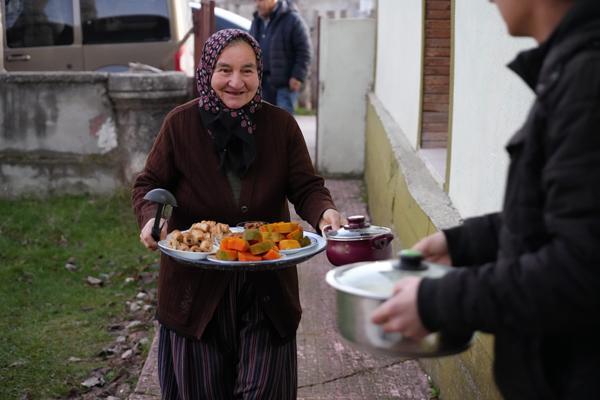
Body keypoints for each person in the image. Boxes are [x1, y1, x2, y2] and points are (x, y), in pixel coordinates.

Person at [371, 0, 600, 398]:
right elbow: (556, 218)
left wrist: (438, 300)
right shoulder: (573, 68)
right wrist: (465, 243)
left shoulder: (587, 80)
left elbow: (581, 269)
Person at [132, 29, 341, 399]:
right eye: (224, 69)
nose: (235, 81)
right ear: (206, 72)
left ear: (260, 75)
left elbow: (307, 187)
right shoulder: (181, 125)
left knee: (265, 390)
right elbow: (148, 184)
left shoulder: (280, 126)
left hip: (266, 287)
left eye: (248, 70)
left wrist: (325, 213)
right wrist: (152, 218)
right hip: (195, 293)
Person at [250, 0, 311, 114]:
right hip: (262, 84)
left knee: (282, 124)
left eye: (261, 0)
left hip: (285, 86)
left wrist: (297, 76)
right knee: (264, 122)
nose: (257, 4)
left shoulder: (292, 19)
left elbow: (304, 51)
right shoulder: (257, 21)